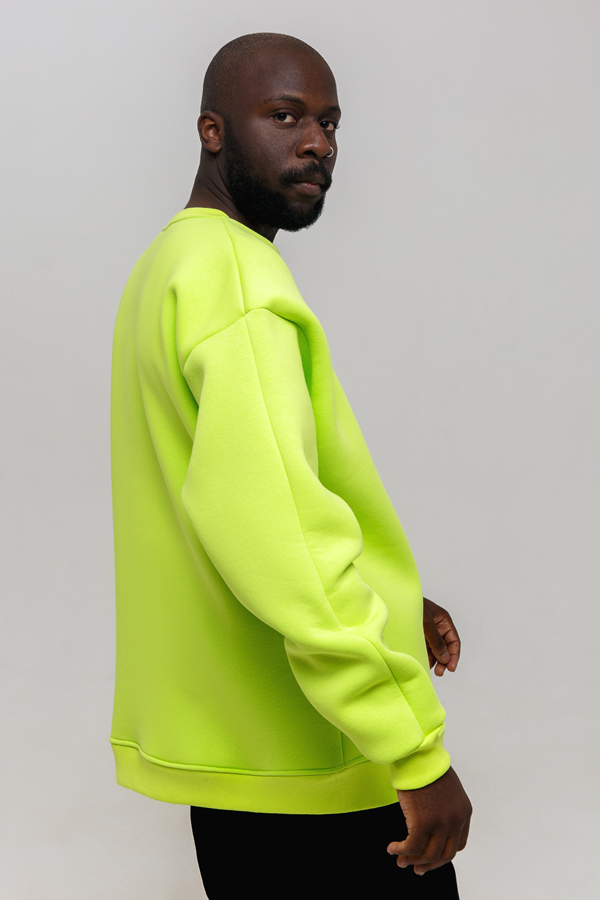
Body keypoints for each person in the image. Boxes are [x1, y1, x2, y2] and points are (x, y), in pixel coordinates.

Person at [109, 31, 472, 899]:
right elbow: (283, 533)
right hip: (314, 775)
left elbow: (242, 507)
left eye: (330, 123)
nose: (317, 144)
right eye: (285, 117)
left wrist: (387, 606)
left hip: (238, 769)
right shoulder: (238, 285)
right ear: (212, 131)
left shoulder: (171, 265)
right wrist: (414, 749)